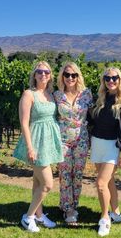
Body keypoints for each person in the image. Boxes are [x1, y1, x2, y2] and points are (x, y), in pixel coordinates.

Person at [13, 61, 64, 233]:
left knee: (37, 182)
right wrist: (30, 147)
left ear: (50, 75)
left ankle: (39, 215)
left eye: (47, 72)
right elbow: (24, 123)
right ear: (34, 75)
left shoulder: (50, 94)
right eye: (40, 71)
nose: (43, 74)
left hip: (48, 142)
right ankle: (27, 218)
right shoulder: (29, 94)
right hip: (36, 142)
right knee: (47, 184)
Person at [89, 67, 121, 237]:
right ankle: (116, 213)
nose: (111, 81)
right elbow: (91, 121)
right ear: (103, 81)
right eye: (107, 78)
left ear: (120, 80)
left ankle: (105, 219)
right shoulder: (100, 100)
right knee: (109, 181)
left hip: (113, 146)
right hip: (97, 144)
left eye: (114, 78)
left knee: (100, 183)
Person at [53, 62, 93, 225]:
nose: (70, 78)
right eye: (67, 75)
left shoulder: (87, 94)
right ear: (62, 76)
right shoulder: (56, 95)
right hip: (62, 141)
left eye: (73, 75)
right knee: (64, 175)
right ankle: (68, 208)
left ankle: (73, 206)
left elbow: (92, 116)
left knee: (77, 175)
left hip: (81, 141)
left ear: (78, 77)